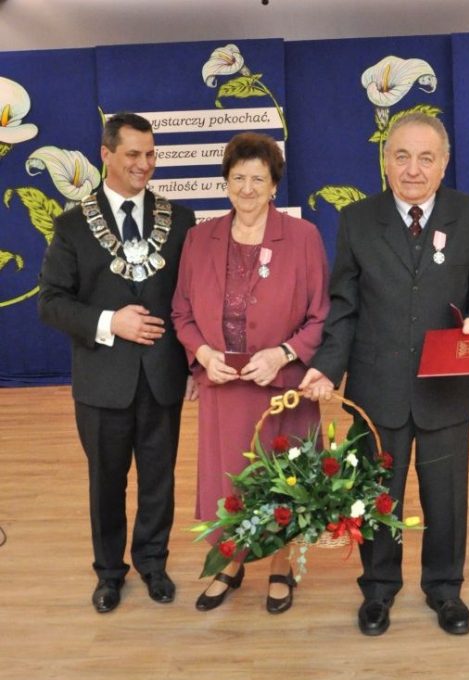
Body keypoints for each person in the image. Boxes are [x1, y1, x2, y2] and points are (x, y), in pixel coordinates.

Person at [300, 113, 469, 636]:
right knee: (376, 495)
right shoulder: (357, 220)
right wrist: (327, 369)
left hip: (446, 387)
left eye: (425, 158)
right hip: (376, 388)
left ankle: (445, 590)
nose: (413, 169)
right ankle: (378, 589)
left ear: (444, 164)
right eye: (402, 156)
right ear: (386, 161)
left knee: (446, 499)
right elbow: (344, 306)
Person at [38, 112, 197, 613]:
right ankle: (109, 573)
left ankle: (153, 563)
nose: (143, 164)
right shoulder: (71, 226)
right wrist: (111, 321)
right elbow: (51, 303)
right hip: (102, 381)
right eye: (132, 154)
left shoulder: (181, 220)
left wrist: (196, 361)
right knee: (106, 483)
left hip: (162, 377)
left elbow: (190, 300)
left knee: (159, 480)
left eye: (150, 154)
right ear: (106, 155)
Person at [171, 132, 330, 614]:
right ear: (225, 182)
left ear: (274, 185)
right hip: (224, 386)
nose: (247, 188)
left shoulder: (303, 237)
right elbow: (181, 312)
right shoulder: (199, 239)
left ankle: (281, 566)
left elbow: (320, 315)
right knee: (229, 480)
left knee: (285, 477)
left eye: (258, 179)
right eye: (238, 177)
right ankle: (230, 563)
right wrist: (201, 353)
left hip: (282, 386)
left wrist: (283, 353)